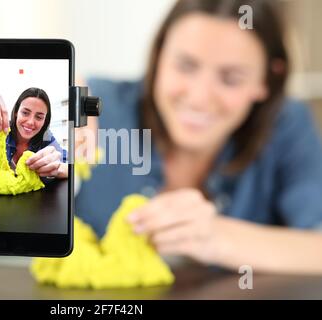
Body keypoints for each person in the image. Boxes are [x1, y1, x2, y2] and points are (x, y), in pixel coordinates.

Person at [75, 0, 322, 274]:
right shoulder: (99, 107)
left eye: (231, 79)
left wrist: (215, 237)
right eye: (185, 66)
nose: (200, 98)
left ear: (267, 79)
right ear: (159, 56)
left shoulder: (287, 125)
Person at [0, 87, 68, 179]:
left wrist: (61, 168)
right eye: (25, 113)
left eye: (39, 117)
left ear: (45, 121)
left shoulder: (46, 136)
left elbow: (71, 164)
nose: (30, 122)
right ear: (16, 112)